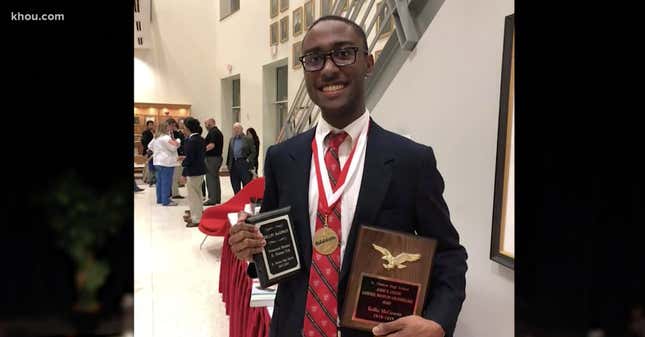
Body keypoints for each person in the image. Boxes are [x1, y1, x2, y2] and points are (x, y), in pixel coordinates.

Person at [227, 16, 467, 337]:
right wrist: (250, 248)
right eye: (314, 58)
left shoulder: (411, 161)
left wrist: (438, 322)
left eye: (343, 54)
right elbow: (274, 248)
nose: (328, 69)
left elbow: (449, 254)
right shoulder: (282, 158)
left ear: (368, 62)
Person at [180, 117, 207, 228]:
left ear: (188, 128)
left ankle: (196, 219)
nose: (183, 130)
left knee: (193, 196)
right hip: (200, 170)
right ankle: (199, 214)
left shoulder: (191, 141)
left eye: (184, 127)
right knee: (198, 194)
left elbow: (190, 159)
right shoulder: (200, 139)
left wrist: (183, 164)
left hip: (193, 171)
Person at [148, 120, 180, 206]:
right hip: (167, 163)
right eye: (168, 127)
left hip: (157, 162)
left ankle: (160, 199)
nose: (169, 128)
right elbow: (174, 147)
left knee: (160, 182)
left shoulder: (156, 137)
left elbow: (149, 146)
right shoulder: (166, 138)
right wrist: (178, 140)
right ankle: (166, 201)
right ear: (165, 128)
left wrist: (159, 151)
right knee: (166, 182)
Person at [225, 122, 257, 194]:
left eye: (238, 128)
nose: (236, 130)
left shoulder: (248, 139)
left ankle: (246, 200)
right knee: (235, 184)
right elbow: (230, 152)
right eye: (234, 129)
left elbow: (254, 152)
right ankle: (237, 201)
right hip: (233, 164)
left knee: (246, 184)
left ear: (242, 129)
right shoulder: (231, 139)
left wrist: (248, 160)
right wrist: (228, 164)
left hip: (243, 163)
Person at [203, 118, 224, 206]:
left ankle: (212, 199)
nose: (205, 126)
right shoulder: (217, 132)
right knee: (215, 178)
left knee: (210, 178)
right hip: (217, 158)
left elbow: (211, 145)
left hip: (212, 158)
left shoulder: (213, 132)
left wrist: (202, 150)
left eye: (206, 124)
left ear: (211, 123)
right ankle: (217, 198)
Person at [167, 118, 186, 199]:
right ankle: (172, 193)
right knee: (170, 177)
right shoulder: (164, 135)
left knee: (176, 176)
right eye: (171, 125)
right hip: (168, 158)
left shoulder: (178, 134)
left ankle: (174, 192)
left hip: (178, 157)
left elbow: (182, 143)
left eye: (174, 126)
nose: (173, 127)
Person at [141, 120, 156, 186]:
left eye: (152, 124)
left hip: (154, 151)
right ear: (147, 125)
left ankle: (152, 179)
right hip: (149, 151)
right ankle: (148, 179)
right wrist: (148, 149)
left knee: (152, 166)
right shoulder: (145, 132)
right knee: (149, 166)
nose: (151, 126)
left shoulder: (154, 132)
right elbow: (144, 141)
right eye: (150, 125)